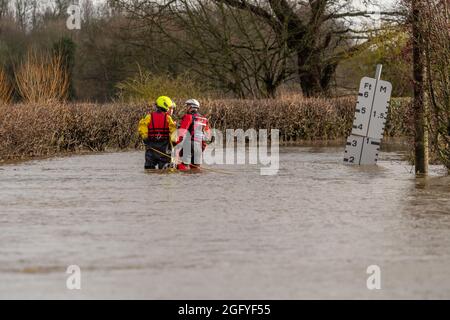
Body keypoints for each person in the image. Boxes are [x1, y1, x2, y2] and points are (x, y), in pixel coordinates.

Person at [138, 96, 177, 169]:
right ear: (165, 106)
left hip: (151, 148)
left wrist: (145, 138)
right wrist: (174, 142)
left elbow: (142, 126)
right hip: (164, 149)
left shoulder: (149, 116)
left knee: (149, 169)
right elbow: (173, 130)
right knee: (165, 170)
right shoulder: (168, 118)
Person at [176, 99, 211, 171]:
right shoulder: (204, 119)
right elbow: (207, 137)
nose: (186, 108)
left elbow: (182, 132)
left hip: (189, 144)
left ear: (191, 107)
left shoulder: (188, 117)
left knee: (182, 166)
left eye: (187, 106)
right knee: (195, 169)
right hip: (199, 146)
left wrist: (176, 144)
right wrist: (202, 148)